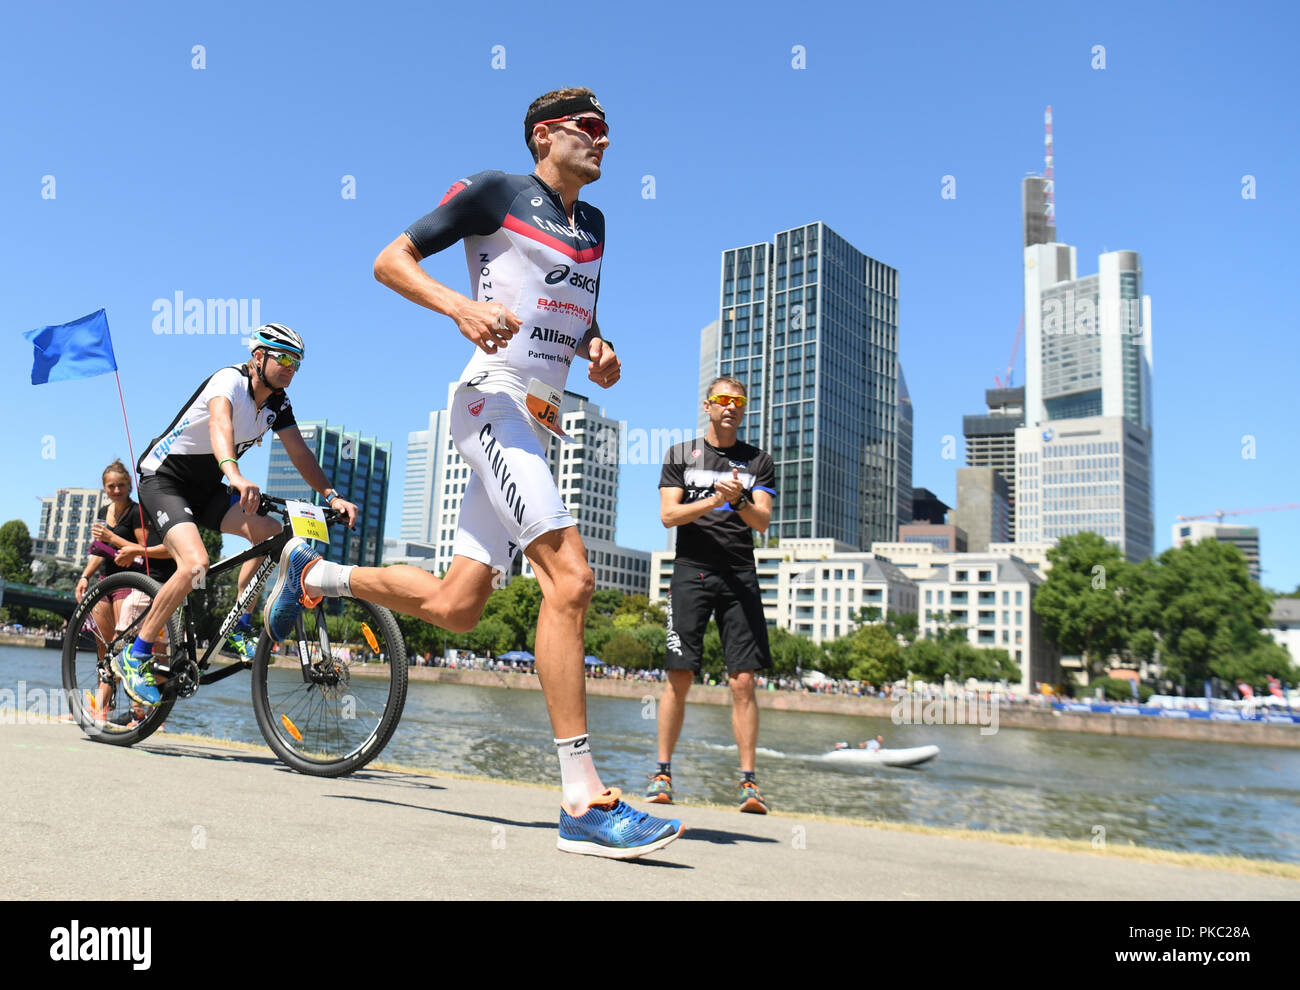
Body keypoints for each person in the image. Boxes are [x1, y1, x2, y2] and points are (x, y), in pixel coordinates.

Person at [258, 88, 682, 860]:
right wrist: (459, 306)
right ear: (544, 135)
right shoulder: (493, 191)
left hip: (541, 420)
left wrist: (598, 349)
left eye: (608, 131)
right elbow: (390, 261)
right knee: (573, 581)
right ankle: (582, 800)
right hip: (491, 403)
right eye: (590, 129)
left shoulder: (595, 225)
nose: (605, 141)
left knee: (458, 606)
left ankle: (315, 578)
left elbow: (571, 309)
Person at [110, 324, 359, 705]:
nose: (292, 368)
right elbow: (219, 425)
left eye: (297, 363)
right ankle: (136, 653)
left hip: (208, 488)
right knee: (195, 563)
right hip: (164, 480)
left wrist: (332, 495)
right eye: (285, 359)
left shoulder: (277, 403)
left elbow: (300, 453)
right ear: (259, 357)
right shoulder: (228, 381)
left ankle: (240, 624)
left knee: (272, 532)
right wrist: (236, 474)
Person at [648, 376, 777, 814]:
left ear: (744, 409)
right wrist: (713, 502)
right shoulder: (680, 455)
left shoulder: (758, 460)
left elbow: (761, 522)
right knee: (679, 676)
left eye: (738, 402)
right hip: (691, 572)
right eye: (722, 400)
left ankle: (748, 784)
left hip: (740, 574)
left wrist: (738, 500)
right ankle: (663, 773)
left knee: (743, 681)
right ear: (708, 405)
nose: (730, 407)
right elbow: (669, 515)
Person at [75, 460, 175, 723]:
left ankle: (139, 713)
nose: (116, 490)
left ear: (130, 486)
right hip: (104, 581)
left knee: (124, 647)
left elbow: (142, 550)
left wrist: (112, 539)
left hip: (128, 582)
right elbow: (98, 551)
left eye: (121, 485)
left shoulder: (136, 512)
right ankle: (102, 710)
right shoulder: (103, 511)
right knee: (104, 649)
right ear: (104, 488)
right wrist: (85, 576)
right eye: (111, 486)